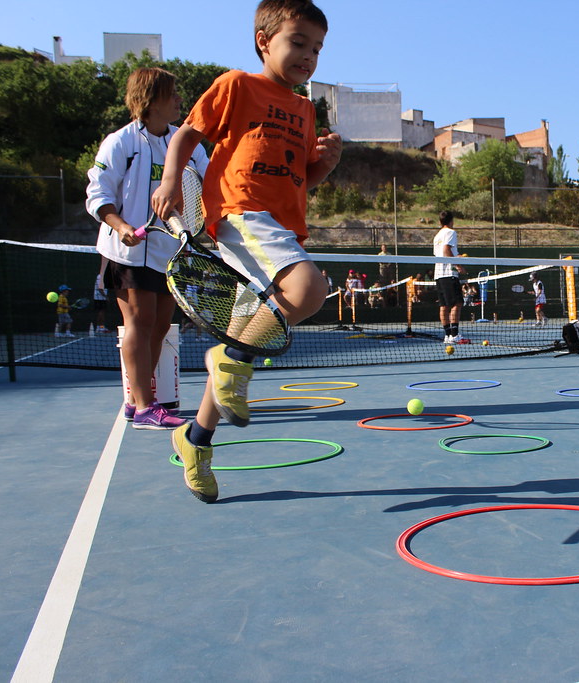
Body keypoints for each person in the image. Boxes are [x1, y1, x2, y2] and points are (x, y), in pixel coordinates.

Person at [150, 0, 342, 502]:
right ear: (264, 41)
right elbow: (187, 134)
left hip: (280, 228)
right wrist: (170, 179)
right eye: (298, 43)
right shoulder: (237, 84)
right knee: (309, 289)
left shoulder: (305, 110)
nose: (309, 56)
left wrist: (325, 166)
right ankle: (229, 358)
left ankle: (195, 439)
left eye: (317, 48)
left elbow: (300, 179)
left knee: (245, 336)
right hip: (241, 213)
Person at [87, 66, 209, 430]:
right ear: (151, 100)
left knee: (160, 326)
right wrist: (121, 226)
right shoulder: (120, 142)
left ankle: (139, 400)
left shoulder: (186, 143)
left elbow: (208, 183)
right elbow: (98, 194)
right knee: (139, 322)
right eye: (172, 94)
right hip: (127, 251)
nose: (179, 100)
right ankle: (143, 405)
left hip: (168, 252)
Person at [433, 210, 467, 343]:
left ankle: (447, 335)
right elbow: (446, 250)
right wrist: (458, 265)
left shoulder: (437, 236)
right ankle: (454, 334)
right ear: (451, 221)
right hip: (448, 273)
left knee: (444, 306)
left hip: (438, 274)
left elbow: (441, 253)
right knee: (457, 303)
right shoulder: (451, 232)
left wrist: (457, 257)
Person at [92, 259, 109, 333]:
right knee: (101, 312)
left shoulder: (105, 276)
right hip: (99, 298)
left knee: (102, 312)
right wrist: (105, 296)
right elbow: (100, 288)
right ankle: (100, 327)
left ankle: (101, 327)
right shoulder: (100, 276)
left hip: (102, 298)